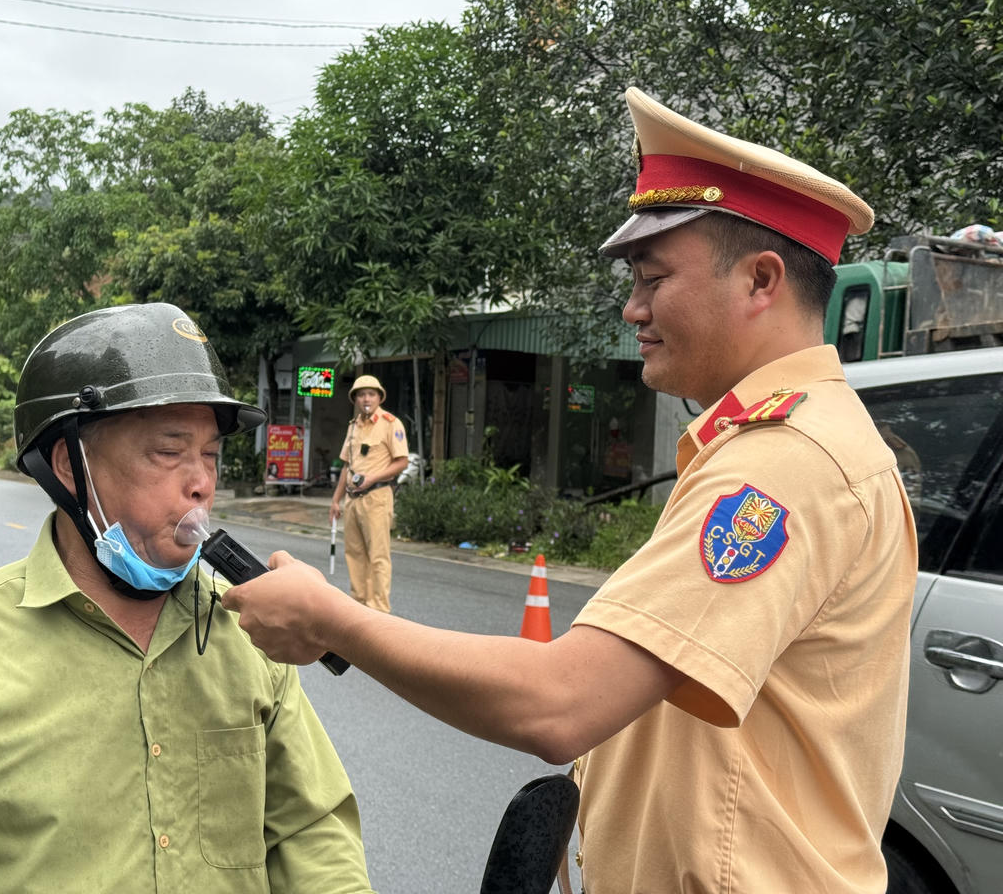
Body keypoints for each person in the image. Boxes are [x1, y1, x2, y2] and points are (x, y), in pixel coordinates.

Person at [222, 89, 918, 894]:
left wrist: (328, 619)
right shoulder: (774, 443)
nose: (633, 309)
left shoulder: (784, 463)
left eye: (653, 279)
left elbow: (563, 703)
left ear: (761, 280)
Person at [0, 303, 375, 894]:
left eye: (211, 455)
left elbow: (310, 829)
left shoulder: (250, 637)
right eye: (168, 452)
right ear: (71, 466)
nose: (200, 481)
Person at [329, 374, 409, 612]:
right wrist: (335, 500)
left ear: (379, 397)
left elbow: (402, 462)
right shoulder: (353, 427)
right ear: (355, 399)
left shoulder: (390, 423)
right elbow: (347, 465)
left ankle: (379, 609)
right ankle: (360, 605)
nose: (366, 399)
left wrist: (371, 478)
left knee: (378, 556)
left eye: (371, 394)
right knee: (354, 553)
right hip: (353, 500)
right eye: (361, 394)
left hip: (377, 497)